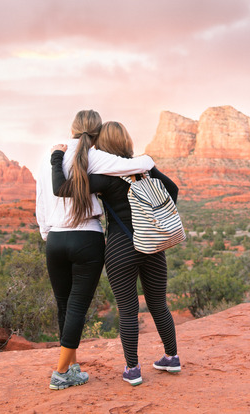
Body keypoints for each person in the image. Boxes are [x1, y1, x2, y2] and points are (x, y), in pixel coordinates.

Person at [51, 121, 181, 387]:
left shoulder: (106, 178)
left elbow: (62, 189)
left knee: (128, 310)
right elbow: (174, 190)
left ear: (103, 145)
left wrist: (56, 159)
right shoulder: (146, 169)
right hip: (153, 244)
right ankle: (172, 357)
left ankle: (133, 370)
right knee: (159, 304)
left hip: (122, 247)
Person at [35, 110, 155, 391]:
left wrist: (46, 233)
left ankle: (72, 367)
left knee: (64, 305)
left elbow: (42, 197)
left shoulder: (50, 154)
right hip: (86, 238)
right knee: (77, 306)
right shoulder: (96, 155)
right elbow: (143, 163)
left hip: (55, 239)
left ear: (72, 128)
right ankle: (62, 372)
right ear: (97, 133)